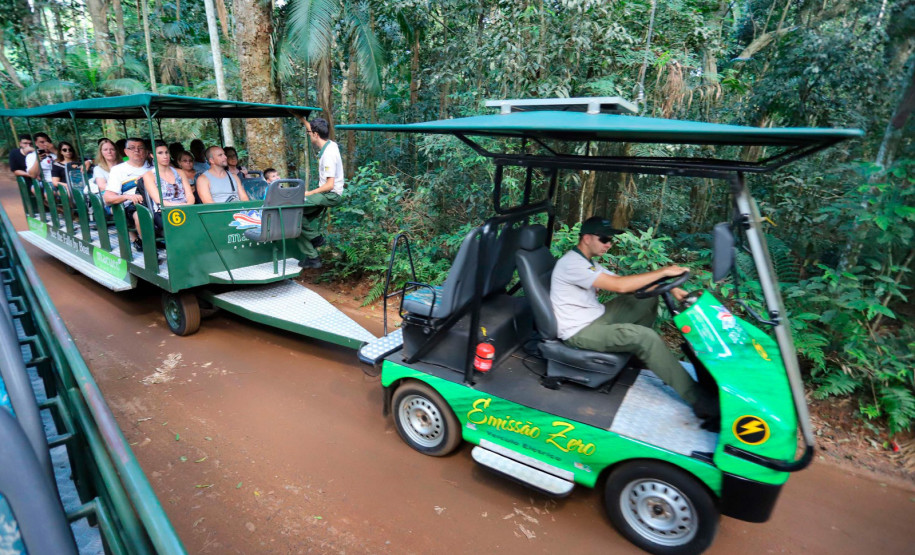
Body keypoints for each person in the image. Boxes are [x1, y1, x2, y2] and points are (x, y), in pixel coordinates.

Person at [550, 216, 719, 426]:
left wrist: (671, 287)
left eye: (611, 240)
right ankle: (700, 400)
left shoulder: (588, 263)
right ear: (586, 238)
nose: (609, 244)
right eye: (604, 239)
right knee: (645, 337)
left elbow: (630, 285)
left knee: (645, 299)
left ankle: (634, 353)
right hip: (579, 330)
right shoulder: (571, 264)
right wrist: (664, 271)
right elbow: (619, 286)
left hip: (596, 315)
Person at [294, 116, 343, 269]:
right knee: (295, 220)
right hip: (327, 194)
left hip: (330, 195)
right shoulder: (331, 145)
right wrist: (303, 120)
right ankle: (312, 258)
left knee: (292, 210)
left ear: (315, 135)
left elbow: (329, 185)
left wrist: (309, 193)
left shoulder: (328, 155)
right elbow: (314, 129)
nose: (309, 135)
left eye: (310, 133)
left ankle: (316, 238)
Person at [135, 140, 195, 244]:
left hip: (186, 208)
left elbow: (190, 195)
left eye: (166, 152)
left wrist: (187, 205)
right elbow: (159, 200)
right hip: (164, 211)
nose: (165, 156)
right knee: (181, 229)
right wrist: (177, 206)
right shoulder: (149, 175)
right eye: (160, 153)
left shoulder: (180, 172)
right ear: (152, 155)